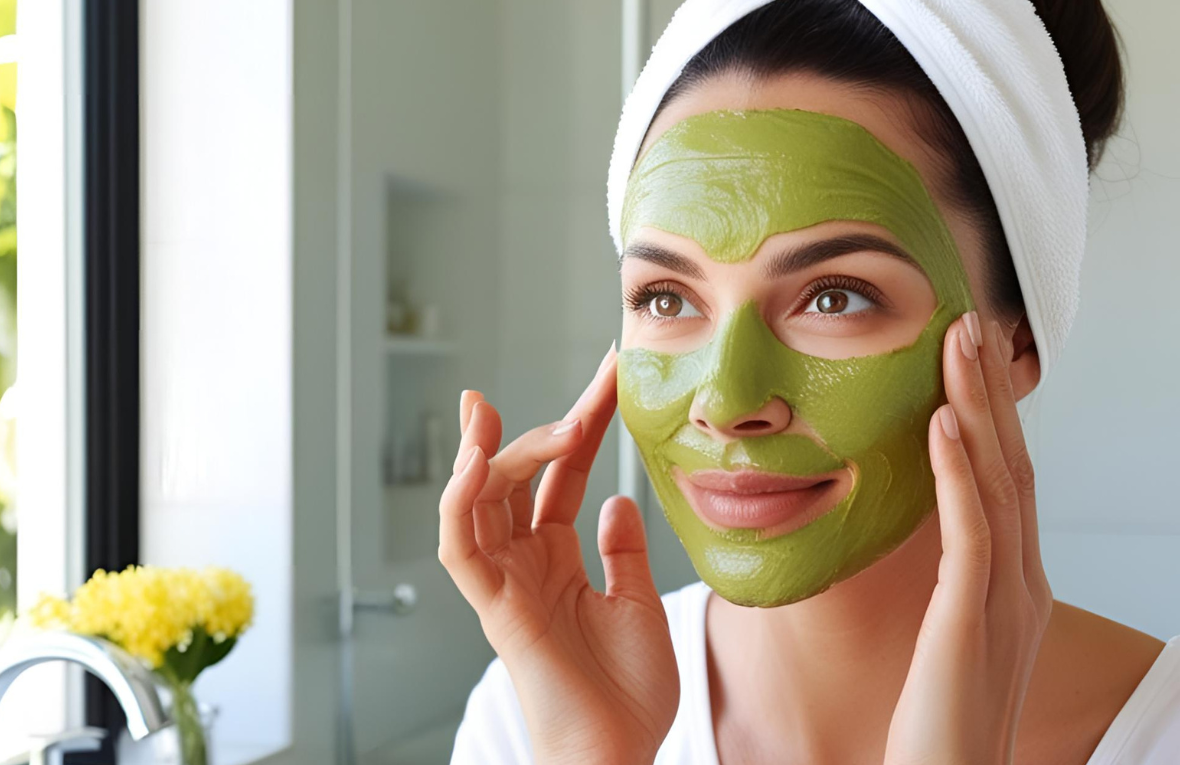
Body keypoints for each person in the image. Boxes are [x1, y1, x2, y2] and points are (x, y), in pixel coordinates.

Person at [439, 1, 1179, 762]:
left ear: (1017, 342)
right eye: (667, 297)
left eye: (834, 297)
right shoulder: (533, 715)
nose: (725, 402)